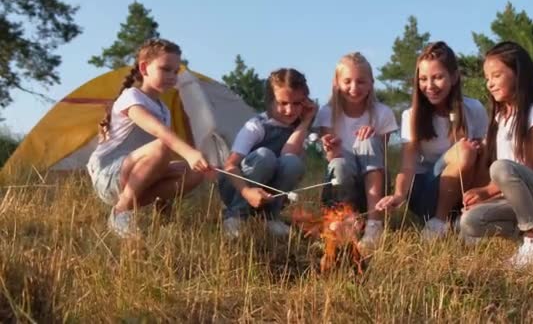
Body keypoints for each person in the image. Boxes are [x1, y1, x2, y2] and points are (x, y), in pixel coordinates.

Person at [87, 39, 214, 238]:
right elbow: (158, 131)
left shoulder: (164, 110)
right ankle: (121, 211)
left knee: (195, 173)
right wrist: (189, 152)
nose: (172, 77)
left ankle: (155, 215)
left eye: (175, 71)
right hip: (109, 174)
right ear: (144, 68)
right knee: (164, 146)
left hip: (133, 175)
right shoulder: (132, 97)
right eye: (165, 69)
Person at [459, 41, 533, 267]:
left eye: (496, 75)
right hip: (517, 198)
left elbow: (529, 166)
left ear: (518, 74)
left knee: (500, 167)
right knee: (469, 221)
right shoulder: (499, 118)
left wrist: (486, 191)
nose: (490, 84)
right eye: (487, 78)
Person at [376, 41, 488, 239]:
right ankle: (438, 222)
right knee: (464, 149)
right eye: (423, 79)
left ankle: (469, 217)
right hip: (426, 193)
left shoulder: (474, 109)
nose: (429, 86)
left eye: (437, 77)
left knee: (482, 151)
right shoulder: (411, 115)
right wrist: (399, 194)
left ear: (454, 77)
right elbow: (408, 166)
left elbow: (487, 158)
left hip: (464, 190)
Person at [313, 52, 398, 254]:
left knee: (367, 139)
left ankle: (374, 224)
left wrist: (374, 136)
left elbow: (381, 156)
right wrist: (330, 150)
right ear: (336, 83)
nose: (354, 88)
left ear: (371, 83)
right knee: (340, 164)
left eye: (361, 82)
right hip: (341, 183)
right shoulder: (326, 113)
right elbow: (333, 162)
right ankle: (343, 219)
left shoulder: (382, 113)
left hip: (373, 187)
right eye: (347, 81)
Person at [219, 68, 317, 239]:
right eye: (283, 103)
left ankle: (270, 217)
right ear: (270, 101)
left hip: (268, 193)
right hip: (237, 187)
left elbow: (288, 155)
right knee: (265, 155)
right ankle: (235, 216)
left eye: (297, 103)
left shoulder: (299, 128)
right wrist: (246, 192)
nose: (290, 110)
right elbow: (230, 165)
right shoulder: (256, 126)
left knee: (293, 162)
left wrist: (307, 121)